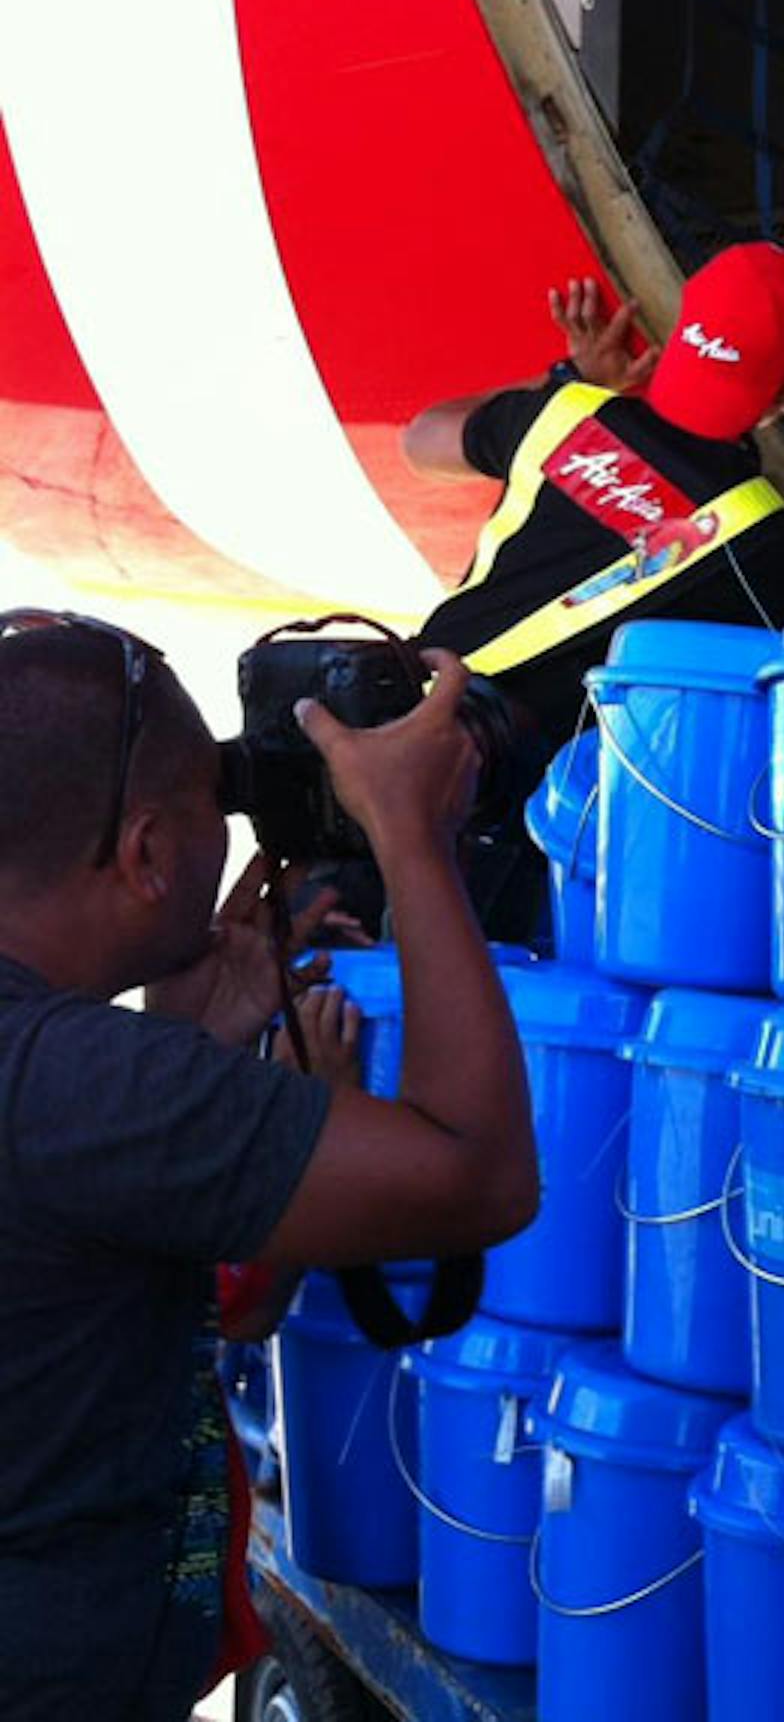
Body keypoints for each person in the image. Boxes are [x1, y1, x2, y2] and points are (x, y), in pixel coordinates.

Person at [0, 617, 534, 1717]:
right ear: (148, 854)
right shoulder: (86, 1087)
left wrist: (185, 1046)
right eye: (215, 800)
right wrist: (410, 839)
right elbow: (479, 1177)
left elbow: (143, 1297)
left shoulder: (83, 1080)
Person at [407, 242, 784, 749]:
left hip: (409, 700)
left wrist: (570, 379)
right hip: (534, 799)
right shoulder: (776, 546)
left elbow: (420, 441)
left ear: (680, 330)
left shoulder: (563, 414)